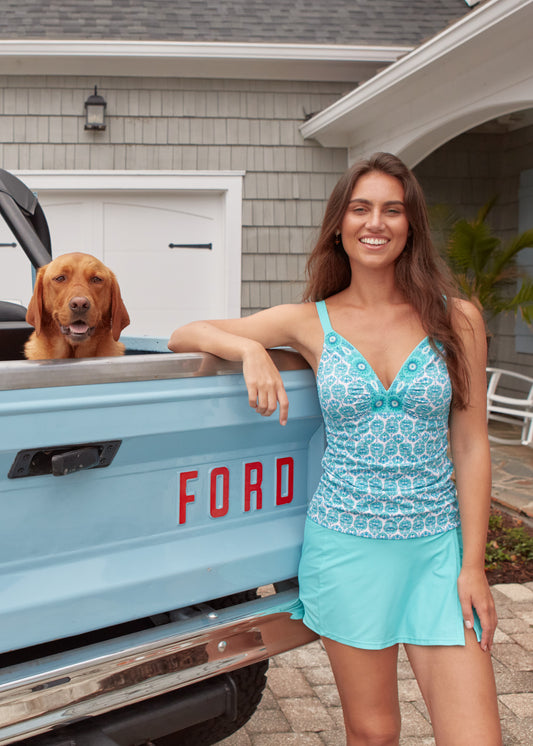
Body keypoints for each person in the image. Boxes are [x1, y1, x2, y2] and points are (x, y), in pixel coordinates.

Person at [168, 152, 502, 745]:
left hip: (437, 556)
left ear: (411, 225)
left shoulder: (459, 320)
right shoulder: (310, 321)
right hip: (347, 549)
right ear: (340, 226)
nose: (376, 223)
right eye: (361, 208)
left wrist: (473, 566)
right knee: (372, 735)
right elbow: (185, 334)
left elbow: (473, 447)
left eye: (392, 210)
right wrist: (250, 352)